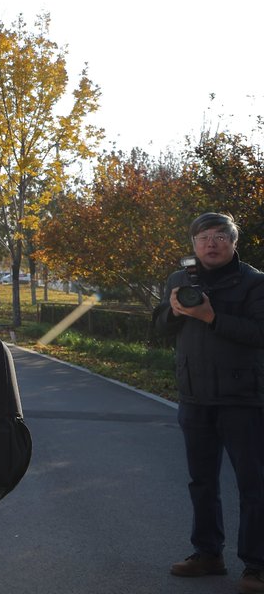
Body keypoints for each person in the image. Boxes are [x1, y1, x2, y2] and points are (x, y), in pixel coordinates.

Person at [157, 213, 264, 594]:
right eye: (203, 237)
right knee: (201, 482)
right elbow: (159, 327)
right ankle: (207, 554)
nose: (211, 243)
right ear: (193, 244)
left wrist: (211, 316)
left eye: (220, 236)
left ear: (234, 243)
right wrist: (174, 309)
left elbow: (259, 332)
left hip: (243, 400)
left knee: (253, 485)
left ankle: (256, 566)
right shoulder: (179, 280)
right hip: (195, 396)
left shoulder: (254, 282)